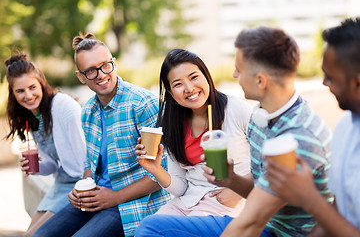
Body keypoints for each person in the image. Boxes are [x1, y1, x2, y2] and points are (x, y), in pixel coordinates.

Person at [134, 27, 333, 237]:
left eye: (239, 69)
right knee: (150, 227)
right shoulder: (261, 117)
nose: (233, 75)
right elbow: (262, 189)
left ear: (260, 80)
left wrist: (231, 193)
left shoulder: (296, 137)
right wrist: (231, 180)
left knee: (152, 228)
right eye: (178, 84)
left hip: (274, 229)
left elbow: (256, 215)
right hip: (258, 221)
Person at [34, 33, 171, 237]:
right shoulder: (88, 111)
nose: (100, 74)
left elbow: (162, 175)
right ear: (80, 76)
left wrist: (114, 197)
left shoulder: (143, 104)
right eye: (90, 70)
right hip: (99, 198)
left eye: (105, 65)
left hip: (133, 205)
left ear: (113, 63)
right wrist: (82, 190)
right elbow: (91, 165)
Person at [266, 17, 360, 236]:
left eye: (330, 76)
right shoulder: (346, 126)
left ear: (357, 81)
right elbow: (338, 213)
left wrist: (308, 197)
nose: (324, 83)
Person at [135, 49, 251, 218]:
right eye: (178, 84)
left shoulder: (237, 109)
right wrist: (155, 169)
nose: (189, 88)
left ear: (206, 76)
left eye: (194, 77)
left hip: (228, 205)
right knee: (148, 228)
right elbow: (182, 188)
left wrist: (237, 193)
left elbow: (268, 160)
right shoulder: (172, 125)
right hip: (188, 203)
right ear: (170, 93)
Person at [4, 52, 86, 236]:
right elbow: (52, 165)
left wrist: (85, 189)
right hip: (61, 183)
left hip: (79, 184)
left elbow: (85, 155)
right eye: (20, 91)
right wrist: (35, 168)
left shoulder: (63, 106)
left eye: (32, 87)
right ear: (13, 92)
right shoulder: (33, 117)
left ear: (41, 82)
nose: (28, 95)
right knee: (28, 234)